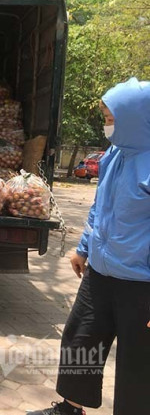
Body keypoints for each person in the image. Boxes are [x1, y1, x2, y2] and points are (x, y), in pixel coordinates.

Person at [28, 78, 150, 415]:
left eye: (113, 119)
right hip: (100, 272)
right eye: (107, 118)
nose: (107, 126)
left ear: (137, 118)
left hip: (141, 285)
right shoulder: (114, 155)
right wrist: (83, 248)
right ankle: (70, 408)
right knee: (80, 340)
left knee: (138, 364)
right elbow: (99, 207)